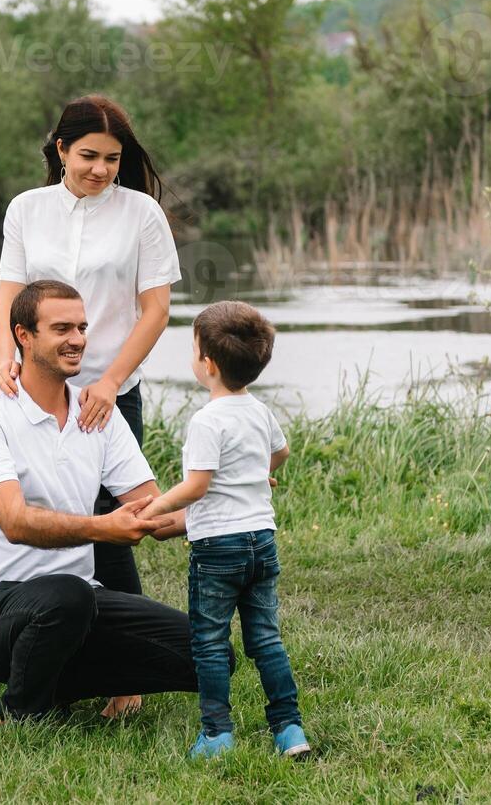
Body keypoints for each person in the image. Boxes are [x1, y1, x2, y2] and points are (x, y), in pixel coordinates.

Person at [0, 280, 231, 722]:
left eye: (81, 327)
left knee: (212, 656)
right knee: (68, 595)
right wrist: (104, 529)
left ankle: (54, 678)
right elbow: (15, 522)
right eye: (62, 328)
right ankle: (21, 709)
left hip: (78, 604)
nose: (77, 339)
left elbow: (153, 511)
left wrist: (229, 499)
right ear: (23, 335)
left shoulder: (97, 411)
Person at [0, 96, 179, 722]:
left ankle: (125, 673)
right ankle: (37, 644)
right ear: (62, 149)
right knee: (39, 515)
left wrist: (111, 381)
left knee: (111, 521)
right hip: (34, 386)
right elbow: (10, 295)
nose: (102, 170)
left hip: (107, 390)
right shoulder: (27, 209)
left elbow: (155, 310)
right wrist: (4, 362)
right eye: (90, 156)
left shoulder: (142, 214)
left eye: (114, 159)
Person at [139, 301, 311, 760]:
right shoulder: (259, 410)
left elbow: (197, 486)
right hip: (262, 542)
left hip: (218, 550)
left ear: (207, 364)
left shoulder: (206, 420)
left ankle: (217, 735)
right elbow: (282, 452)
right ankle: (290, 731)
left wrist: (154, 507)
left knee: (210, 643)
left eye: (194, 349)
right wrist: (258, 472)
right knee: (266, 639)